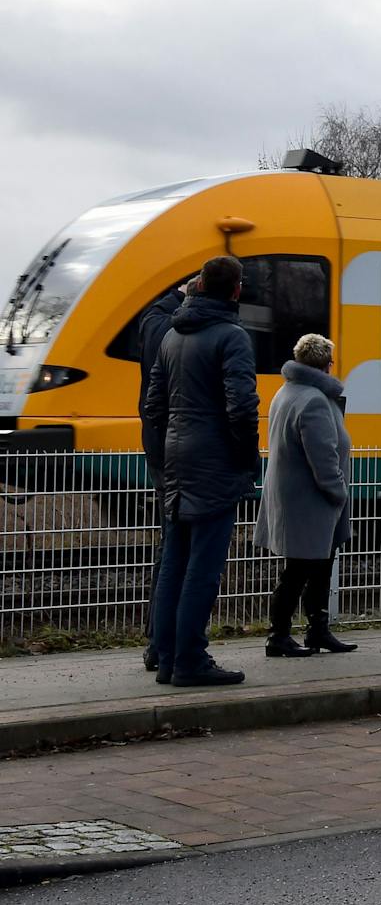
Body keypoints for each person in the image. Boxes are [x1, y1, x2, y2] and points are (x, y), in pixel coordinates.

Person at [143, 255, 258, 687]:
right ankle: (191, 659)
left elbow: (154, 405)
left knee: (174, 561)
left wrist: (175, 436)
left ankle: (168, 657)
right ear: (236, 289)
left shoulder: (172, 336)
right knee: (204, 568)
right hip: (213, 463)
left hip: (175, 457)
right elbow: (243, 408)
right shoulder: (232, 337)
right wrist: (245, 457)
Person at [255, 333, 356, 657]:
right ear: (326, 364)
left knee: (317, 565)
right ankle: (279, 636)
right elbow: (323, 456)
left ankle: (317, 630)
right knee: (299, 570)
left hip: (296, 498)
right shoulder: (313, 400)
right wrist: (337, 491)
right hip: (311, 500)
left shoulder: (287, 392)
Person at [136, 275, 195, 672]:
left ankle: (161, 642)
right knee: (179, 548)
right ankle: (167, 645)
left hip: (163, 445)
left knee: (173, 544)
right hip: (177, 451)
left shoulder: (154, 317)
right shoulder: (173, 326)